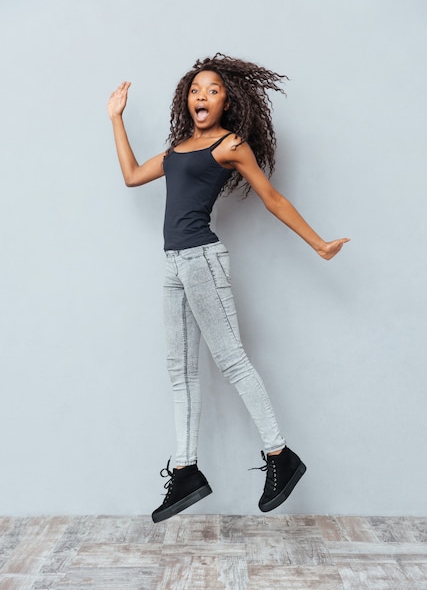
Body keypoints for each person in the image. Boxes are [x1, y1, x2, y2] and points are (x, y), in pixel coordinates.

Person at [107, 53, 349, 524]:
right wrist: (116, 118)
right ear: (187, 100)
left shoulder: (230, 145)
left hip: (203, 261)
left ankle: (280, 455)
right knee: (181, 372)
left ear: (227, 102)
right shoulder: (178, 149)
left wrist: (318, 243)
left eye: (213, 90)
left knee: (232, 360)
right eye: (196, 89)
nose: (203, 95)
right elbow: (133, 175)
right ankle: (186, 469)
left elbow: (273, 197)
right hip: (173, 266)